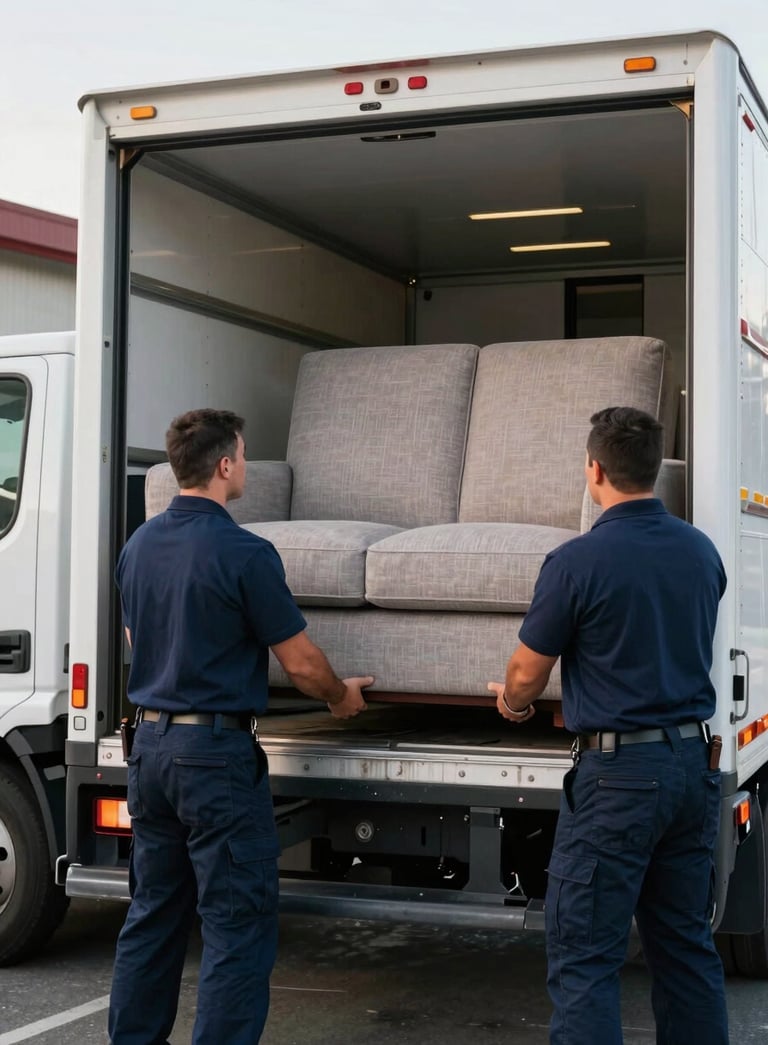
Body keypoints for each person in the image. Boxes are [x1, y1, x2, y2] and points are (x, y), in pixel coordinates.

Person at [108, 408, 373, 1045]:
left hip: (148, 747)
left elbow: (134, 635)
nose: (247, 466)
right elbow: (301, 662)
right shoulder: (245, 552)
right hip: (212, 754)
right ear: (225, 465)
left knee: (152, 915)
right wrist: (340, 697)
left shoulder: (138, 545)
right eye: (245, 456)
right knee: (236, 921)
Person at [487, 406, 729, 1045]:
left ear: (594, 470)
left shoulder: (576, 561)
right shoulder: (702, 552)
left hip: (618, 778)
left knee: (586, 956)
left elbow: (524, 673)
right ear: (655, 470)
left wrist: (513, 704)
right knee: (684, 949)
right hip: (691, 767)